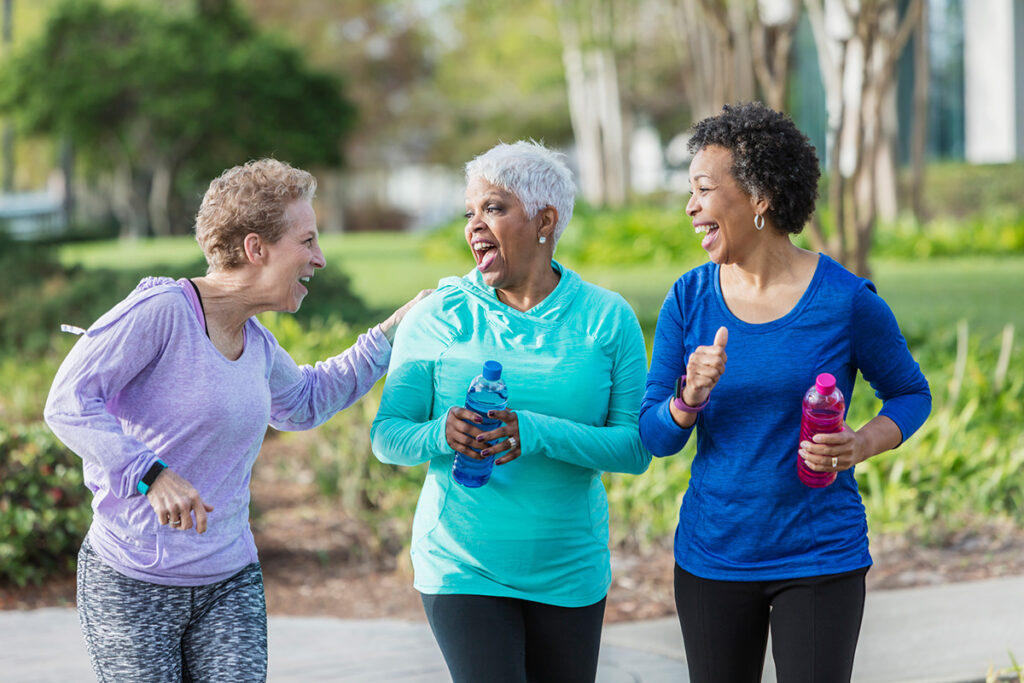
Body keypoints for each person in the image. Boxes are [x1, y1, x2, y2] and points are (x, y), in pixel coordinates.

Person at [44, 158, 427, 682]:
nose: (319, 258)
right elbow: (67, 401)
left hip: (230, 578)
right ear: (256, 248)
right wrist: (151, 472)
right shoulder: (161, 311)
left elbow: (305, 402)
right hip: (134, 578)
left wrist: (392, 330)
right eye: (308, 241)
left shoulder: (257, 343)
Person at [639, 103, 931, 683]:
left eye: (703, 188)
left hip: (820, 556)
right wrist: (688, 398)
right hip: (713, 556)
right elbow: (654, 435)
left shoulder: (845, 301)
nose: (690, 206)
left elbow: (910, 393)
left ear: (760, 198)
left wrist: (861, 442)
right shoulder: (688, 298)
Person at [370, 140, 651, 682]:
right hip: (461, 565)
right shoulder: (437, 315)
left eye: (494, 208)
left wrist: (536, 432)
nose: (475, 225)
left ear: (545, 220)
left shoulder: (605, 318)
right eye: (469, 212)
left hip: (569, 567)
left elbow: (635, 448)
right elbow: (388, 435)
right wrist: (440, 432)